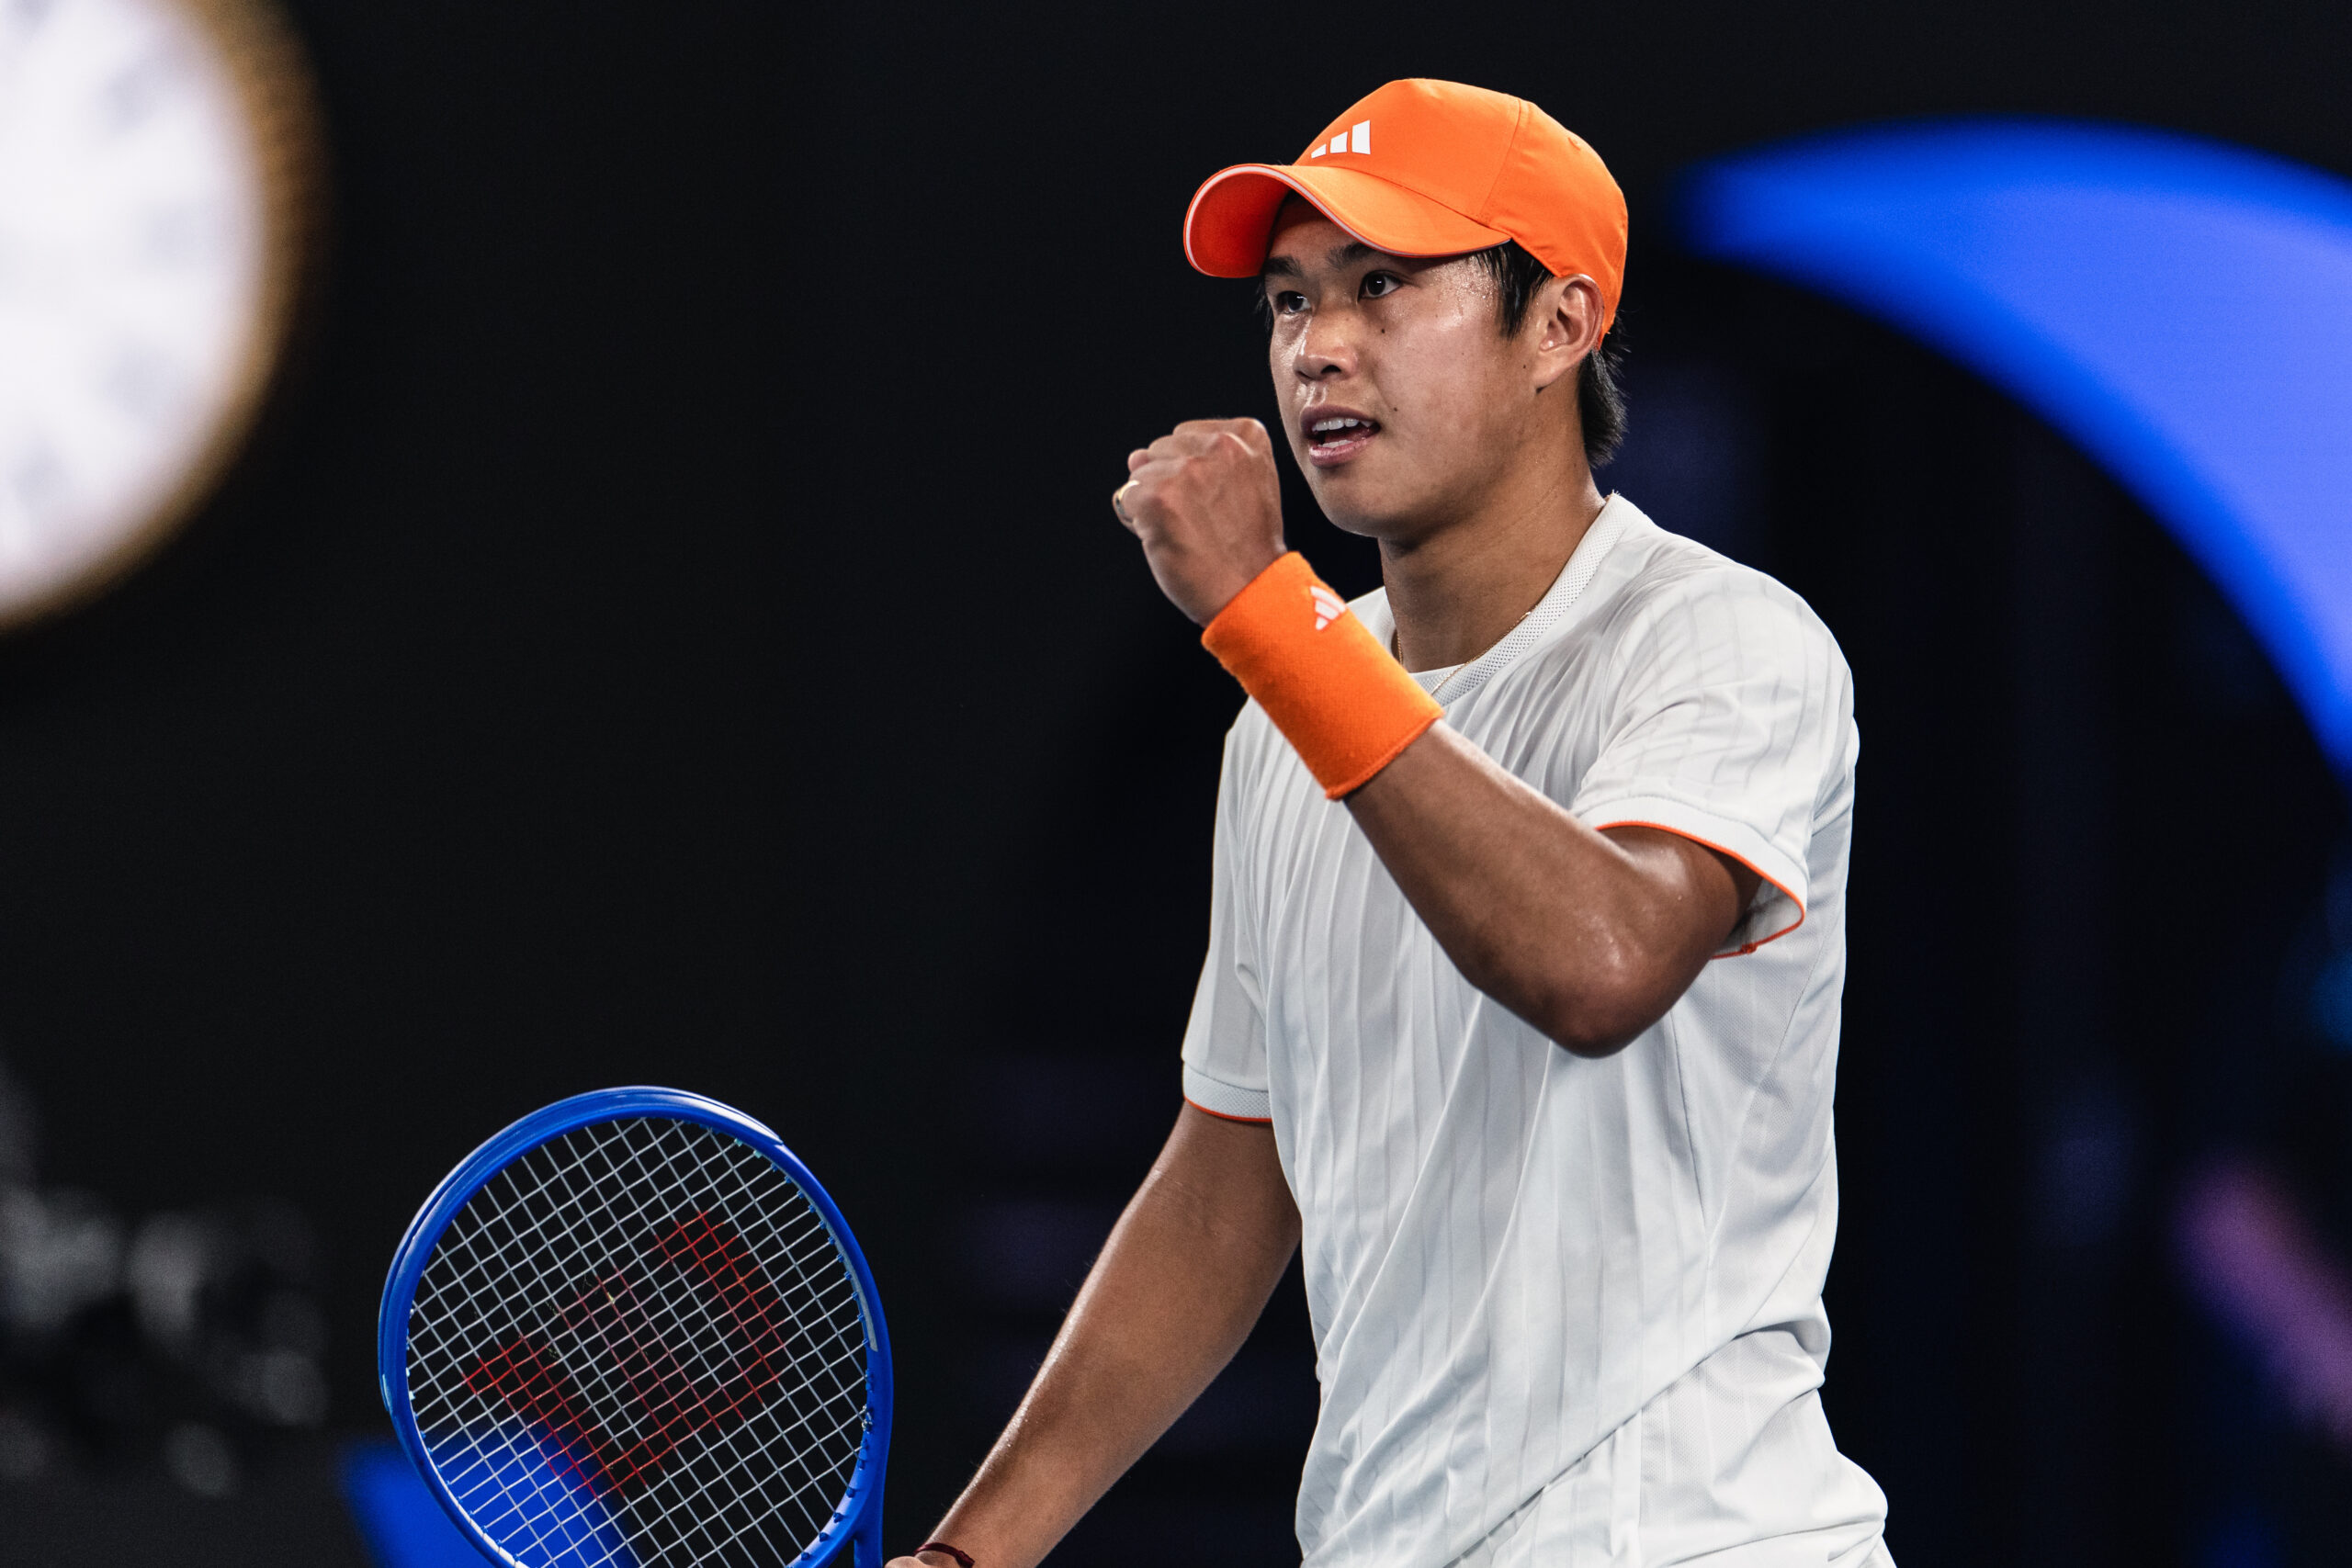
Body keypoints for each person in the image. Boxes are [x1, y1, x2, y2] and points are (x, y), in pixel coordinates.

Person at [892, 79, 1893, 1568]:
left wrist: (1271, 621)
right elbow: (1232, 1186)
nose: (1319, 347)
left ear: (1561, 322)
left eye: (1383, 286)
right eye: (1290, 301)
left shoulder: (1727, 644)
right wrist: (971, 1555)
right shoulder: (1280, 726)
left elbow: (1601, 963)